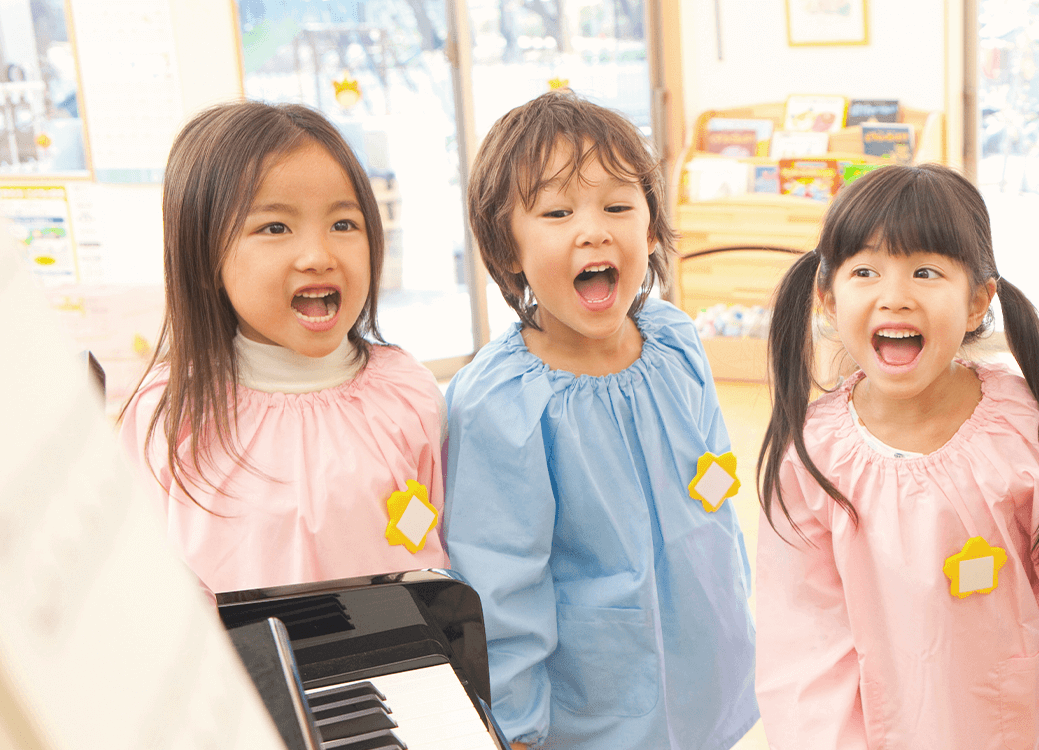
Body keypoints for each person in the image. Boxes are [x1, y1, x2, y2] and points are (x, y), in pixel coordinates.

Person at [754, 164, 1039, 749]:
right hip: (877, 727)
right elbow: (803, 629)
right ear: (827, 297)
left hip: (1010, 718)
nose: (894, 297)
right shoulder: (812, 455)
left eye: (925, 272)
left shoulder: (1021, 424)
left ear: (978, 303)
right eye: (866, 271)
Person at [442, 91, 756, 750]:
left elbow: (715, 486)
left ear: (649, 227)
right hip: (596, 706)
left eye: (618, 206)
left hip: (704, 665)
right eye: (557, 212)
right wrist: (516, 726)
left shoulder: (674, 343)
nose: (594, 230)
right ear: (506, 248)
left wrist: (736, 608)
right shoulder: (501, 401)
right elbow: (500, 584)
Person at [119, 101, 446, 593]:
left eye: (343, 224)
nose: (318, 256)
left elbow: (440, 555)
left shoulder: (407, 394)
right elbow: (143, 589)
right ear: (203, 253)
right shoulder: (167, 412)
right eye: (275, 228)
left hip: (397, 666)